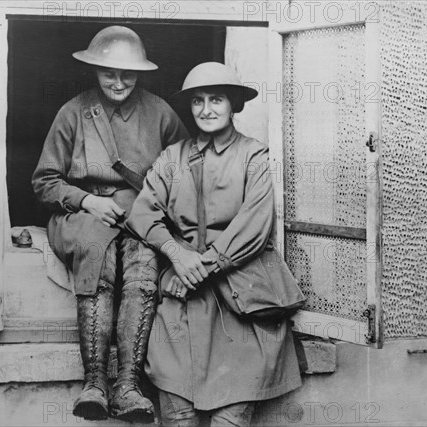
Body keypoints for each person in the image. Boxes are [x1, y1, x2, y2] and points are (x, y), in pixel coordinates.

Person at [126, 62, 302, 426]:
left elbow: (254, 227)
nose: (206, 110)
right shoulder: (173, 157)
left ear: (234, 104)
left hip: (242, 304)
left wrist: (198, 267)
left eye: (217, 100)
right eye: (198, 101)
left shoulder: (255, 157)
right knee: (178, 415)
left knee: (231, 418)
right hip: (182, 306)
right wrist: (176, 254)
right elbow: (141, 213)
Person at [31, 26, 188, 422]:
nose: (118, 82)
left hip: (140, 215)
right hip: (82, 213)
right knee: (94, 249)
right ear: (94, 70)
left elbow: (185, 173)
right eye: (108, 73)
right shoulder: (73, 112)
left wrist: (155, 211)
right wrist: (87, 200)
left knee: (144, 260)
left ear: (140, 74)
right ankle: (95, 382)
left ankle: (128, 386)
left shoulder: (160, 114)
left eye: (127, 74)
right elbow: (44, 182)